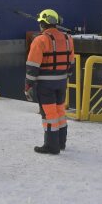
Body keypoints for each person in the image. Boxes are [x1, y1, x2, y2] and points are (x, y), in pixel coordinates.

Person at [25, 9, 74, 154]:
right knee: (60, 112)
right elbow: (71, 62)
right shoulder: (67, 39)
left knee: (49, 115)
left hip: (45, 85)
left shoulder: (40, 40)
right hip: (61, 82)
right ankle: (61, 143)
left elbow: (32, 66)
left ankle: (51, 146)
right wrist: (65, 76)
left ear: (43, 24)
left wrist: (28, 85)